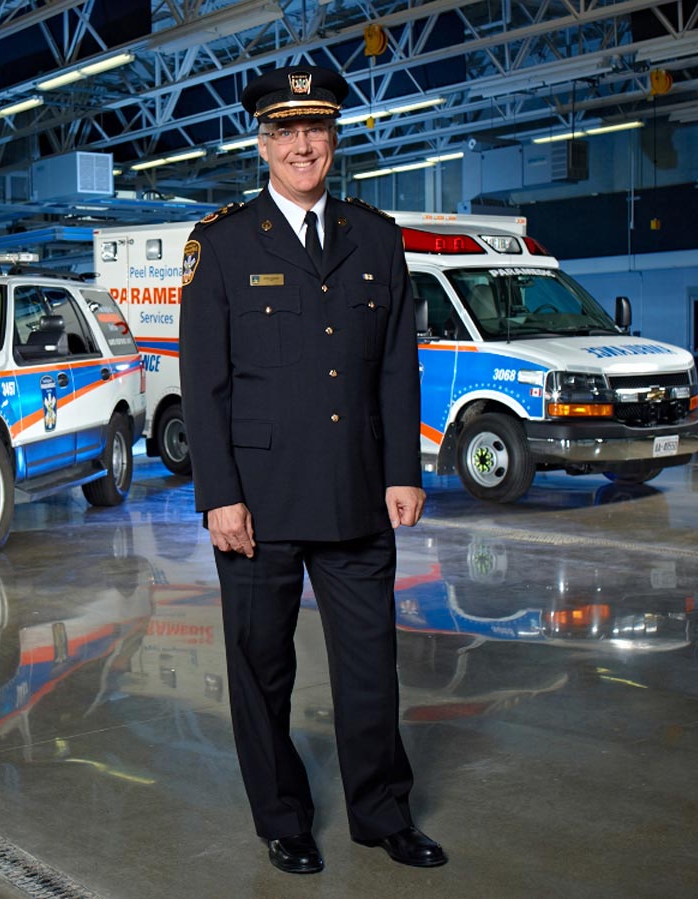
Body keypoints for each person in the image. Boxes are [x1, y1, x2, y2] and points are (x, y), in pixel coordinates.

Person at [178, 65, 447, 875]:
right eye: (286, 131)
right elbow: (204, 383)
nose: (302, 145)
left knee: (371, 668)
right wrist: (218, 496)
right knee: (261, 670)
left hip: (359, 491)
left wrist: (405, 469)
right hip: (257, 505)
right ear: (262, 142)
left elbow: (398, 366)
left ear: (334, 139)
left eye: (317, 129)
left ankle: (382, 812)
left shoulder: (377, 236)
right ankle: (283, 816)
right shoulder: (222, 245)